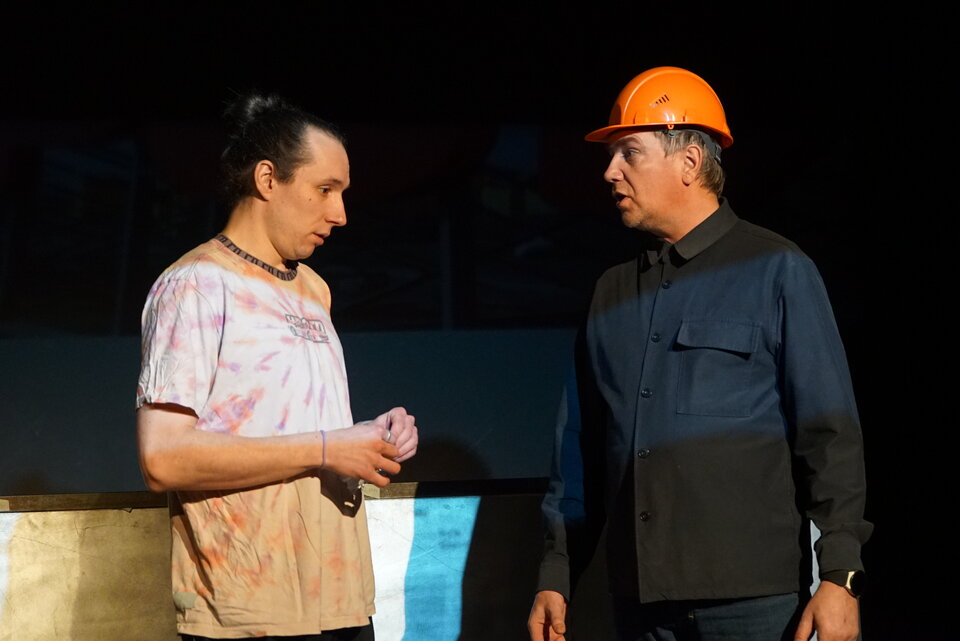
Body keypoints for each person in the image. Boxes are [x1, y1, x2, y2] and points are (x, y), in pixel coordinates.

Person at [528, 67, 871, 641]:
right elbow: (579, 447)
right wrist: (556, 574)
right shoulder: (611, 292)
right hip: (641, 609)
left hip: (757, 606)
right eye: (611, 156)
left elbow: (829, 434)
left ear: (688, 161)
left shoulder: (777, 269)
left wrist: (840, 576)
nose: (609, 171)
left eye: (629, 153)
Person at [136, 93, 418, 640]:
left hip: (340, 601)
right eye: (325, 189)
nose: (340, 213)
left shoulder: (314, 289)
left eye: (342, 193)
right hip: (250, 612)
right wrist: (327, 447)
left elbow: (296, 423)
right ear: (268, 179)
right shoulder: (197, 284)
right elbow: (163, 458)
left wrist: (370, 437)